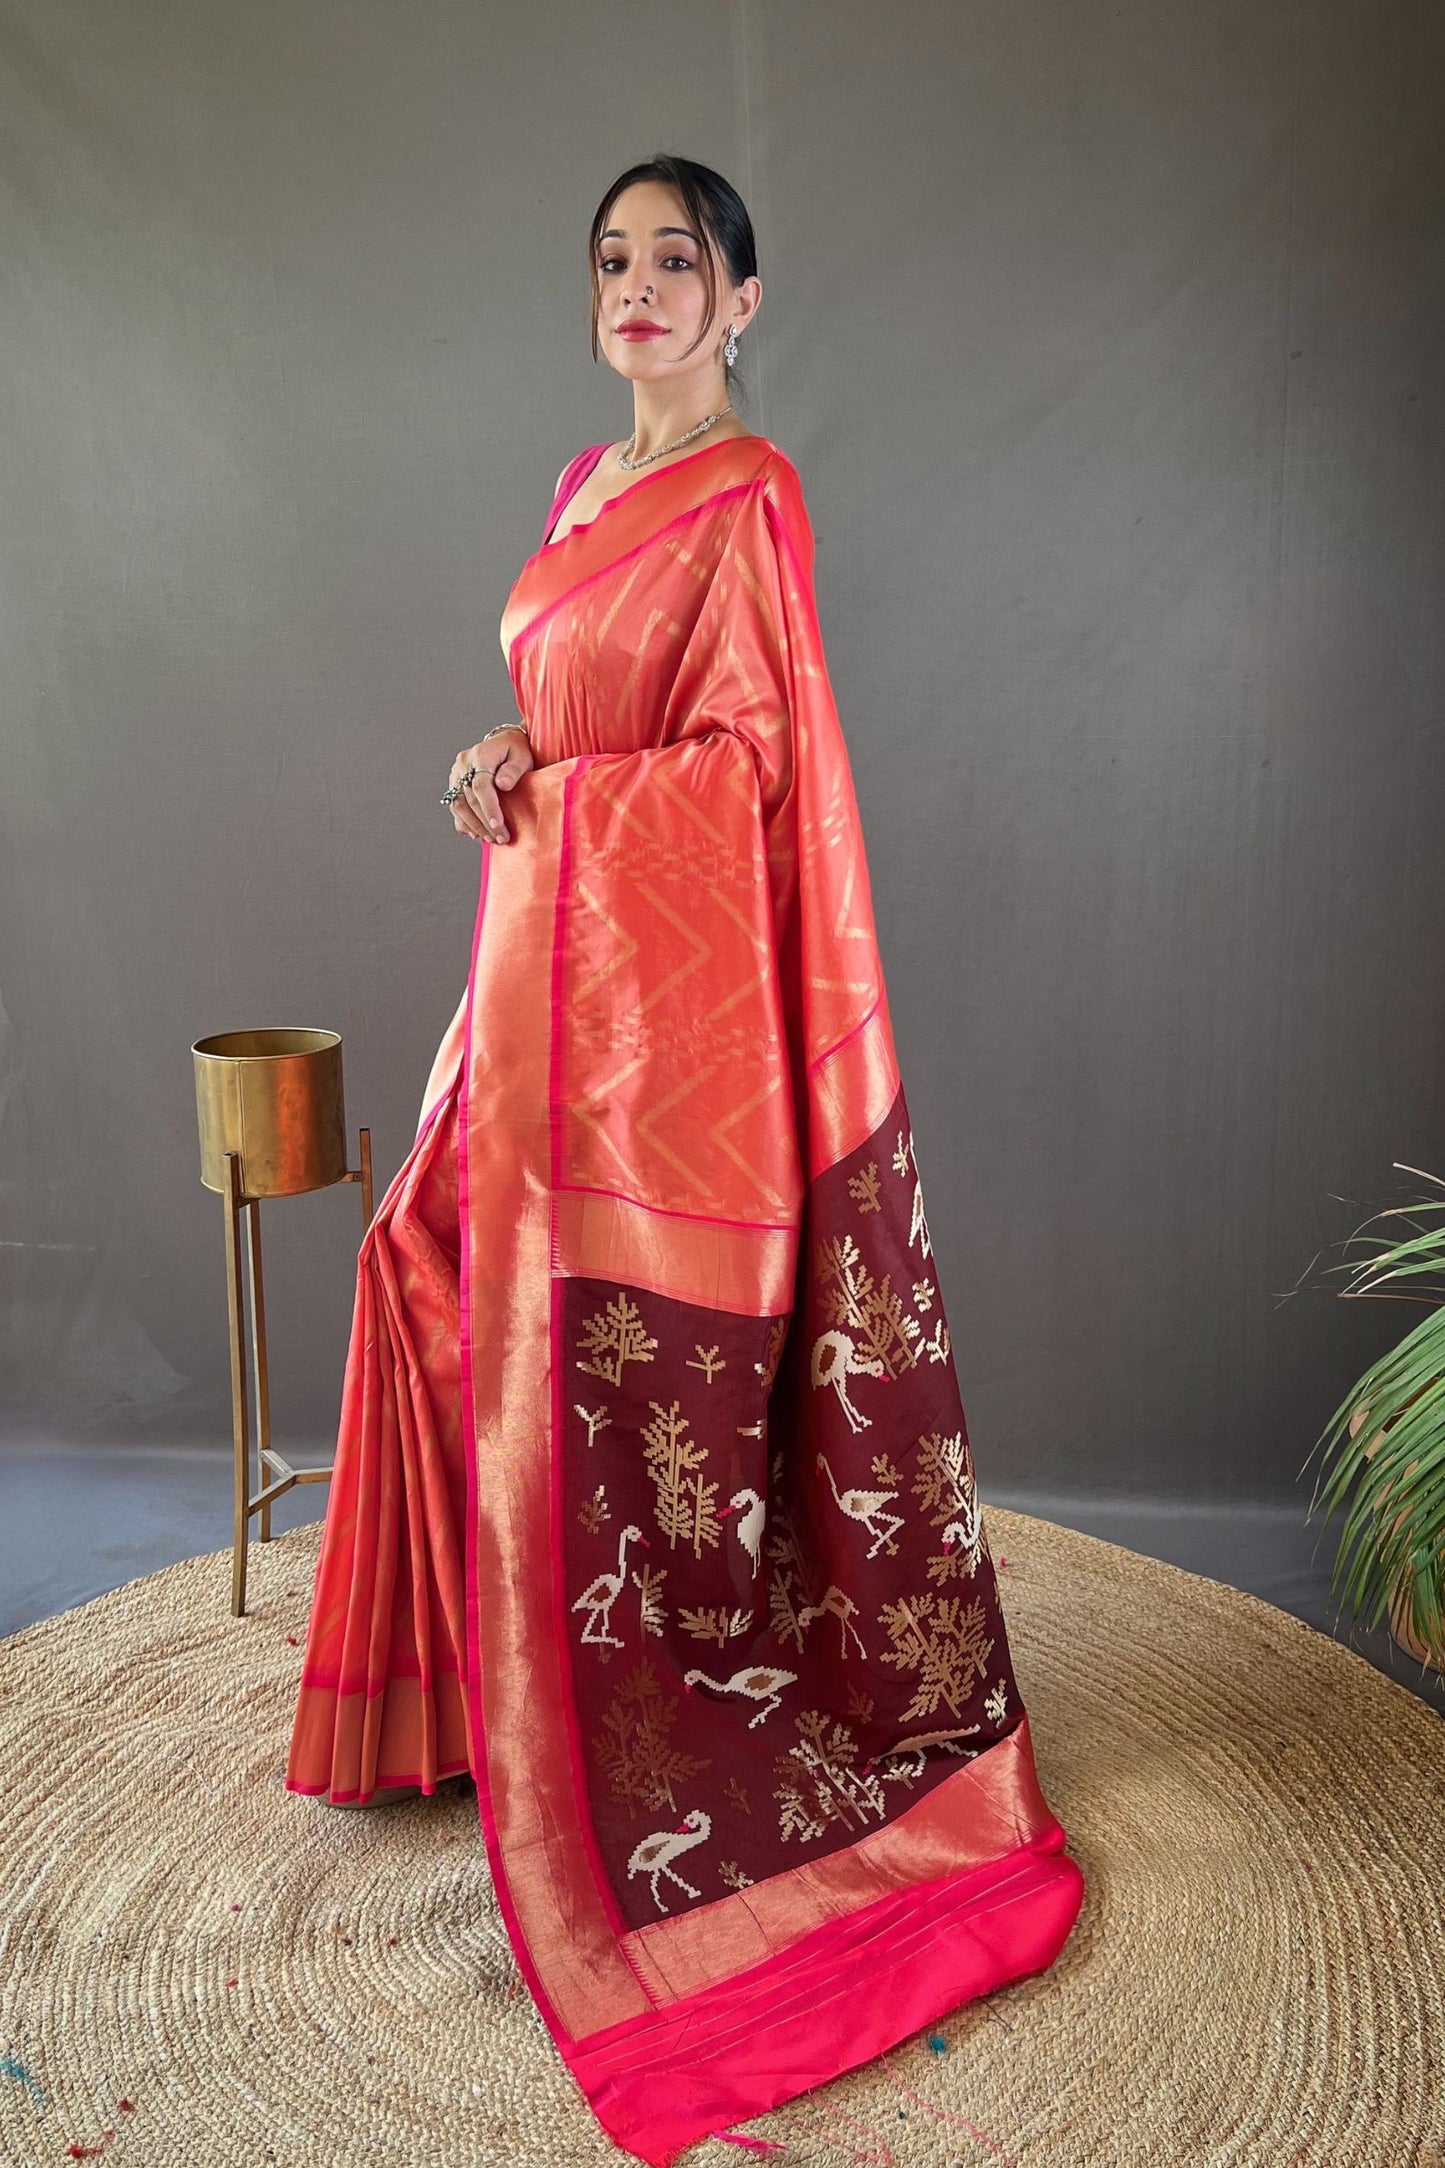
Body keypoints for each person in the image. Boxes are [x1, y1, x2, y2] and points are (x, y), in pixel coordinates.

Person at [285, 151, 1084, 2166]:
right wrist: (503, 755)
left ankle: (628, 1748)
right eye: (613, 260)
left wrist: (565, 804)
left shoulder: (750, 498)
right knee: (419, 1257)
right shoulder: (585, 488)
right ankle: (479, 1702)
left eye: (678, 261)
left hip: (655, 1034)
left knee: (575, 1353)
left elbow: (744, 777)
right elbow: (569, 716)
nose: (639, 287)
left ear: (742, 301)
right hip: (540, 981)